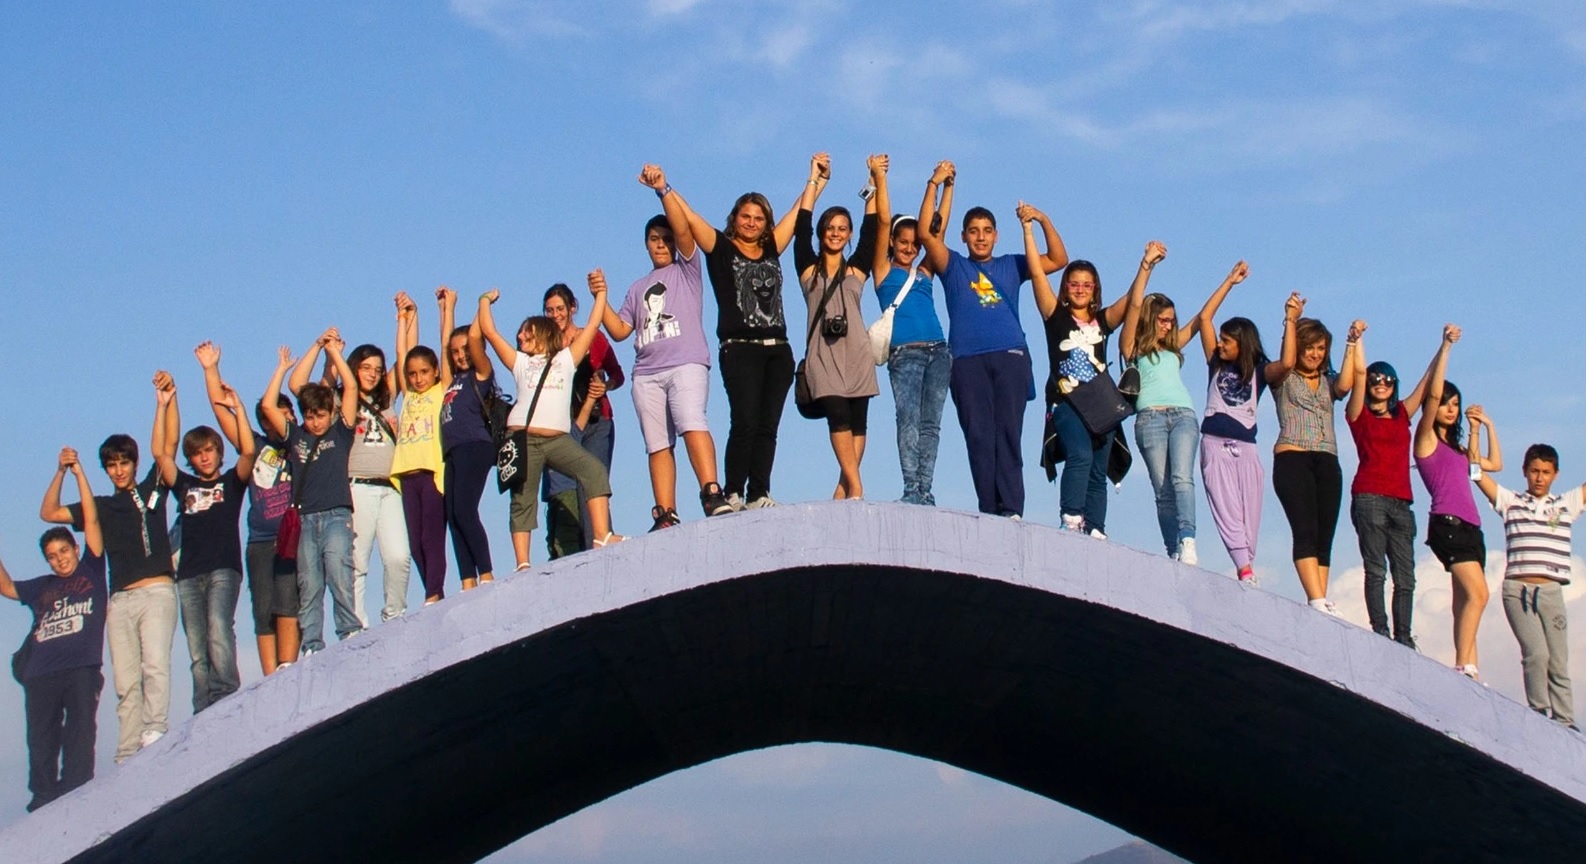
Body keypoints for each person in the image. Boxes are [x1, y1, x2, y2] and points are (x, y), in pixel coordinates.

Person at [917, 163, 1068, 518]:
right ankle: (989, 510)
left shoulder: (1013, 264)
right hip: (967, 361)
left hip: (1010, 356)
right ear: (964, 237)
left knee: (1008, 436)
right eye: (973, 231)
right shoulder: (953, 266)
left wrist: (1040, 219)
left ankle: (1012, 509)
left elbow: (1059, 259)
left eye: (987, 231)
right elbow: (925, 234)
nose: (981, 237)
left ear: (997, 235)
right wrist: (936, 184)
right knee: (979, 439)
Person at [42, 374, 179, 762]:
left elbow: (166, 447)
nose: (119, 470)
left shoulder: (151, 488)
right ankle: (126, 750)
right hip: (119, 599)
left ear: (133, 463)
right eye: (112, 465)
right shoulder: (100, 506)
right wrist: (62, 471)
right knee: (125, 680)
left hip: (156, 591)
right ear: (105, 469)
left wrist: (166, 401)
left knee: (155, 664)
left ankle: (156, 728)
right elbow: (49, 512)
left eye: (124, 463)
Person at [662, 169, 805, 509]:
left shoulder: (772, 248)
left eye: (759, 218)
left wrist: (815, 181)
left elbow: (797, 214)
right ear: (735, 218)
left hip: (778, 351)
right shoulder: (721, 248)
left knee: (768, 425)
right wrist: (664, 188)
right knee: (745, 420)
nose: (752, 223)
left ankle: (759, 492)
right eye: (746, 216)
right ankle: (733, 491)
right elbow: (690, 217)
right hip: (739, 349)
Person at [607, 164, 731, 530]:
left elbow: (683, 227)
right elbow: (619, 330)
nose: (661, 244)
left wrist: (662, 190)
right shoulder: (636, 287)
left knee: (692, 421)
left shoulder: (687, 269)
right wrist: (599, 299)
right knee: (657, 443)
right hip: (646, 373)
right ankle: (665, 512)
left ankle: (711, 491)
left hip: (685, 363)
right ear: (645, 243)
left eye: (666, 238)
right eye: (653, 239)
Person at [476, 276, 625, 568]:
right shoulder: (520, 362)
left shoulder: (566, 360)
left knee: (593, 471)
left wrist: (601, 294)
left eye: (526, 334)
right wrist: (484, 301)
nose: (520, 339)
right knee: (523, 499)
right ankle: (522, 563)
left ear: (542, 335)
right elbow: (490, 334)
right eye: (520, 336)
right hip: (525, 438)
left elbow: (593, 325)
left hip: (558, 440)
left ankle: (601, 535)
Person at [0, 448, 106, 811]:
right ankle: (43, 801)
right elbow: (7, 587)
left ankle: (77, 796)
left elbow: (91, 520)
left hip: (80, 670)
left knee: (79, 734)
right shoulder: (42, 585)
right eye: (53, 556)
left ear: (75, 548)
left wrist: (73, 472)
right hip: (41, 673)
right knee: (41, 741)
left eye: (64, 551)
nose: (60, 559)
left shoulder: (92, 571)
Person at [1034, 237, 1154, 539]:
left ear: (1095, 290)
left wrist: (1146, 265)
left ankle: (1096, 526)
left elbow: (1134, 302)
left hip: (1101, 405)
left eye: (1087, 285)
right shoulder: (1056, 316)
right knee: (1080, 456)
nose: (1080, 290)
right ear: (1065, 288)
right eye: (1074, 284)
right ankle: (1071, 517)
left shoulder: (1102, 321)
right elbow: (1037, 275)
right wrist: (1028, 230)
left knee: (1098, 470)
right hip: (1067, 402)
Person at [196, 341, 301, 674]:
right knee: (262, 609)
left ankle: (288, 668)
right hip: (259, 539)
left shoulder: (300, 443)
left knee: (288, 603)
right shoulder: (254, 447)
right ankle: (271, 676)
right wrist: (211, 369)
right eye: (273, 417)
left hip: (292, 536)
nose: (281, 421)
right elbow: (221, 411)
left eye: (287, 414)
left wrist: (284, 370)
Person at [1472, 436, 1584, 726]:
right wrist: (1478, 429)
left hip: (1550, 590)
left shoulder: (1564, 505)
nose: (1539, 478)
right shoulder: (1512, 502)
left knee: (1558, 660)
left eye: (1546, 472)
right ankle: (1539, 714)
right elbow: (1474, 472)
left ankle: (1565, 720)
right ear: (1525, 471)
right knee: (1536, 654)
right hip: (1518, 590)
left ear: (1555, 475)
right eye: (1535, 471)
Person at [262, 332, 361, 655]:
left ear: (330, 413)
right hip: (304, 518)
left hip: (336, 514)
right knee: (310, 585)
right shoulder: (296, 436)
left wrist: (335, 355)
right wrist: (281, 369)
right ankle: (312, 645)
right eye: (310, 415)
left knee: (339, 573)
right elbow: (268, 404)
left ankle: (349, 631)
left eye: (320, 415)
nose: (315, 422)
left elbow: (352, 389)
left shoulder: (340, 431)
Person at [163, 377, 257, 713]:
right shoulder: (185, 485)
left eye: (209, 450)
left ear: (218, 452)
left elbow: (248, 451)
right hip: (188, 573)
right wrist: (165, 403)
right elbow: (162, 453)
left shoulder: (231, 482)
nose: (204, 458)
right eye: (197, 453)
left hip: (223, 568)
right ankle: (203, 704)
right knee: (196, 644)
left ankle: (225, 693)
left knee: (219, 625)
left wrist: (239, 410)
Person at [793, 152, 881, 499]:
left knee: (858, 421)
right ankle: (856, 485)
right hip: (822, 355)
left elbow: (872, 233)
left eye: (842, 229)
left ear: (848, 235)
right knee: (838, 414)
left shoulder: (857, 270)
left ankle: (843, 489)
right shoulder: (808, 271)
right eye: (830, 228)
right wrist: (813, 181)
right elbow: (800, 229)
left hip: (857, 353)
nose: (835, 233)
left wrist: (873, 184)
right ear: (822, 232)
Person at [1344, 326, 1438, 647]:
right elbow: (1357, 375)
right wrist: (1356, 341)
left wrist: (1444, 346)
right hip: (1369, 497)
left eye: (1387, 380)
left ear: (1394, 385)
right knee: (1376, 570)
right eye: (1376, 379)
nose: (1380, 384)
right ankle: (1381, 632)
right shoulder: (1359, 415)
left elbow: (1427, 386)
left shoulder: (1402, 415)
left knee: (1406, 576)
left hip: (1402, 502)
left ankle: (1404, 637)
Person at [1196, 270, 1292, 583]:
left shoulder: (1260, 372)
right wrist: (1228, 282)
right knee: (1225, 507)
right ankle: (1244, 567)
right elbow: (1204, 318)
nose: (1221, 345)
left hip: (1246, 448)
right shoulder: (1216, 363)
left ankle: (1247, 565)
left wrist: (1290, 319)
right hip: (1215, 443)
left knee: (1250, 512)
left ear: (1242, 344)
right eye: (1221, 340)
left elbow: (1288, 363)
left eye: (1227, 341)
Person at [870, 155, 952, 506]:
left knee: (931, 425)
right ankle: (911, 489)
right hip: (905, 355)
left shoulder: (923, 273)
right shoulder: (883, 272)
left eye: (913, 244)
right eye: (902, 241)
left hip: (938, 351)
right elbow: (884, 220)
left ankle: (926, 490)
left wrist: (948, 187)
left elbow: (937, 231)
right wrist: (881, 178)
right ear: (891, 242)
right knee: (908, 420)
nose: (909, 247)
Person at [1412, 325, 1490, 677]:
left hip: (1473, 528)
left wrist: (1479, 425)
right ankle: (1464, 666)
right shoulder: (1426, 441)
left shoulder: (1458, 450)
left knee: (1465, 604)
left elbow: (1492, 464)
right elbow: (1431, 396)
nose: (1450, 408)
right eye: (1446, 403)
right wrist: (1445, 347)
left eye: (1455, 405)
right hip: (1448, 524)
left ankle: (1469, 667)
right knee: (1480, 595)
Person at [1271, 305, 1359, 615]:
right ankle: (1315, 597)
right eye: (1310, 347)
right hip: (1293, 456)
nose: (1315, 354)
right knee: (1305, 528)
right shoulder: (1283, 376)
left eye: (1321, 348)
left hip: (1327, 458)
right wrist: (1291, 319)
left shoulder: (1326, 381)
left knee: (1325, 533)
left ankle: (1320, 597)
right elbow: (1286, 360)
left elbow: (1345, 386)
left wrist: (1351, 343)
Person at [331, 297, 413, 625]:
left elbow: (404, 359)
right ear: (354, 368)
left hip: (390, 486)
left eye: (377, 370)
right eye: (366, 367)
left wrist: (403, 320)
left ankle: (395, 617)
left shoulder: (386, 397)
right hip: (357, 485)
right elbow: (315, 386)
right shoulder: (343, 397)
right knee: (358, 561)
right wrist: (332, 353)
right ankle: (357, 625)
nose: (373, 374)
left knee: (398, 557)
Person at [541, 283, 626, 548]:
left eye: (560, 309)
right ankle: (583, 547)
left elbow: (618, 374)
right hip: (565, 425)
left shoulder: (593, 338)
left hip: (598, 421)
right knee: (569, 489)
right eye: (549, 310)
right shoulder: (545, 347)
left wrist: (606, 386)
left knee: (593, 480)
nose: (555, 315)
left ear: (572, 308)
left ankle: (600, 542)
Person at [390, 291, 454, 606]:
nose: (417, 379)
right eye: (413, 374)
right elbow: (401, 354)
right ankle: (432, 590)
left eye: (424, 373)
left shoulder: (439, 391)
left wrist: (444, 309)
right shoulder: (408, 396)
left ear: (435, 373)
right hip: (405, 474)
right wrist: (403, 318)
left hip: (431, 472)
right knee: (415, 544)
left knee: (432, 538)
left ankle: (433, 591)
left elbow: (443, 347)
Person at [437, 287, 500, 591]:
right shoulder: (452, 380)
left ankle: (485, 572)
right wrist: (447, 308)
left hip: (474, 446)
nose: (460, 355)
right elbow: (444, 345)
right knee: (452, 515)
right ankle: (467, 579)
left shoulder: (481, 373)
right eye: (455, 352)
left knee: (465, 509)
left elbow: (475, 340)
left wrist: (482, 304)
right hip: (452, 451)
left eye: (465, 350)